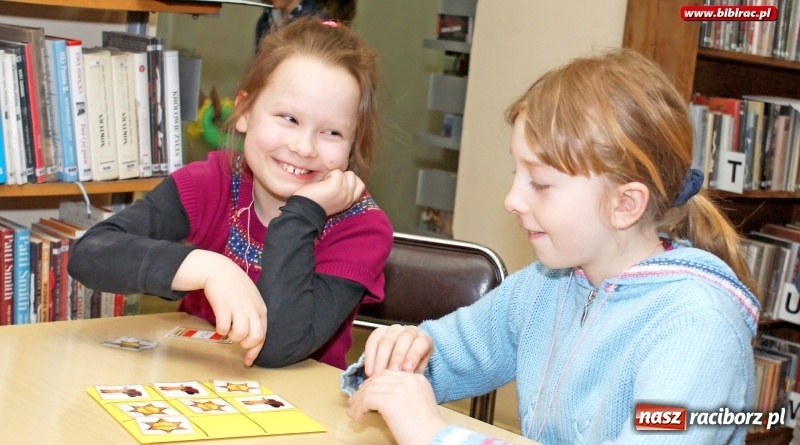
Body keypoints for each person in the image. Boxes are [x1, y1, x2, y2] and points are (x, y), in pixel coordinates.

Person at [343, 49, 759, 444]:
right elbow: (445, 357)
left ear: (624, 204)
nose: (512, 200)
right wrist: (396, 361)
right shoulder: (545, 286)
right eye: (516, 173)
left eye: (540, 184)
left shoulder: (699, 330)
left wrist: (434, 435)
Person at [69, 16, 393, 370]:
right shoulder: (212, 183)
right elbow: (91, 253)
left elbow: (276, 348)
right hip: (192, 380)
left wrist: (302, 213)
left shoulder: (362, 230)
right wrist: (209, 268)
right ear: (244, 110)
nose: (303, 147)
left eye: (332, 132)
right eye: (288, 118)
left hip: (298, 402)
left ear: (353, 144)